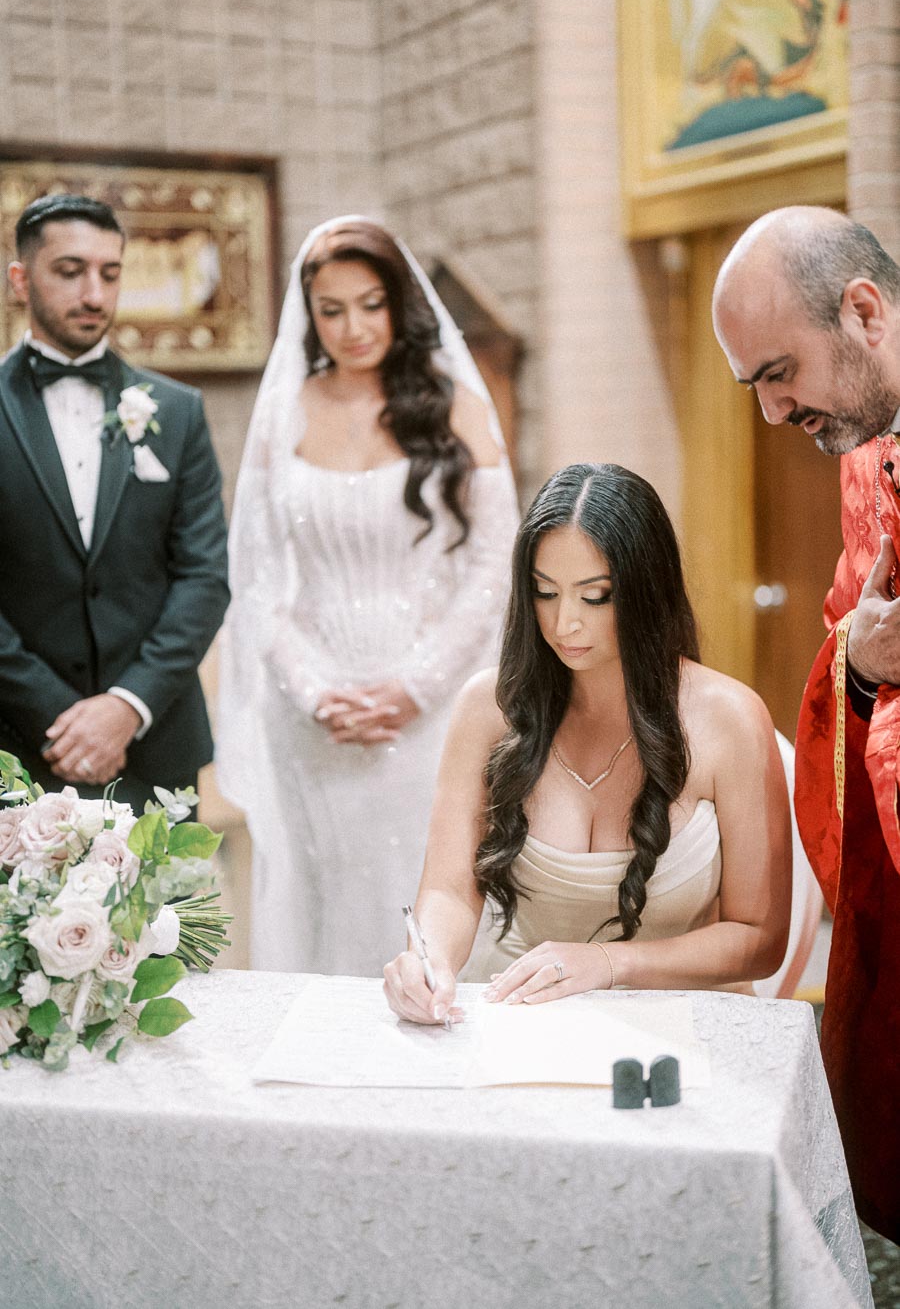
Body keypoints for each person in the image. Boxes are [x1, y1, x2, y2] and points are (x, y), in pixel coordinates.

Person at [217, 216, 519, 975]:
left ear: (399, 304)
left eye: (371, 303)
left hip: (431, 712)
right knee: (331, 903)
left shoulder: (455, 405)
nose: (353, 327)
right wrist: (316, 691)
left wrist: (416, 685)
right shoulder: (284, 412)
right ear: (310, 315)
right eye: (333, 308)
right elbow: (254, 575)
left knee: (428, 894)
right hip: (314, 718)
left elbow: (494, 562)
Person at [384, 463, 791, 1026]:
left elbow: (759, 939)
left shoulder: (730, 721)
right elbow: (452, 891)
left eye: (595, 596)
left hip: (688, 1026)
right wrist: (426, 960)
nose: (564, 624)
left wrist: (608, 963)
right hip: (526, 1017)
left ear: (648, 589)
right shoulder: (488, 709)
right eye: (544, 593)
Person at [712, 204, 900, 1243]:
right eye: (755, 388)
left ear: (864, 311)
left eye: (780, 373)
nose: (776, 411)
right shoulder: (867, 461)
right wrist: (863, 672)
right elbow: (846, 653)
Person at [0, 194, 229, 815]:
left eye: (110, 271)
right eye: (70, 271)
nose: (95, 293)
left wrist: (127, 707)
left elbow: (204, 578)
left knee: (175, 917)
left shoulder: (177, 412)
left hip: (156, 750)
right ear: (20, 279)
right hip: (18, 753)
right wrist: (59, 716)